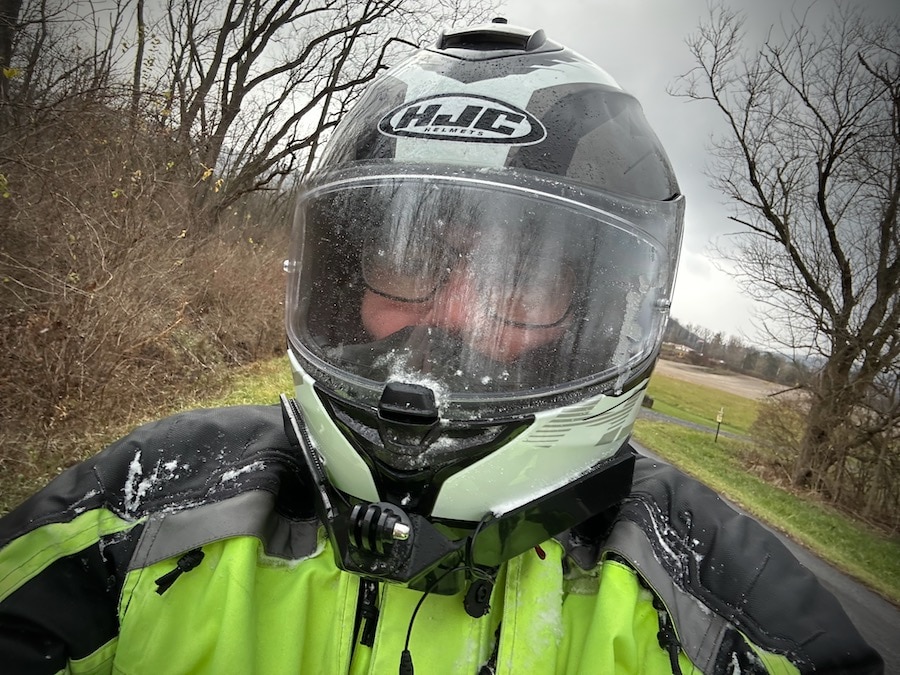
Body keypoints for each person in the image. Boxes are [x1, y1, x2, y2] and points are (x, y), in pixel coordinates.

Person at [0, 19, 883, 675]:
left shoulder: (716, 603)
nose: (454, 320)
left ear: (608, 309)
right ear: (342, 277)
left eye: (524, 282)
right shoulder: (140, 515)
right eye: (411, 260)